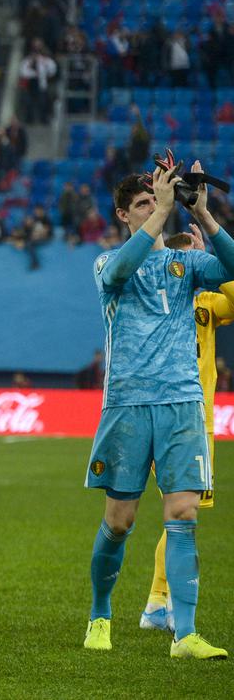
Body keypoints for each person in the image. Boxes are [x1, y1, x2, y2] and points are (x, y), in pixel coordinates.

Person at [84, 165, 234, 659]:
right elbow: (124, 270)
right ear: (124, 214)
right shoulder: (108, 263)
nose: (155, 206)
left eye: (157, 199)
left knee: (184, 514)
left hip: (183, 403)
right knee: (121, 521)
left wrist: (204, 216)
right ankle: (100, 616)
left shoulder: (187, 264)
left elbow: (231, 268)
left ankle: (184, 635)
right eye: (144, 203)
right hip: (127, 406)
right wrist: (164, 210)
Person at [140, 228, 234, 633]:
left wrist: (211, 250)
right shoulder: (158, 300)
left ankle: (159, 604)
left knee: (180, 514)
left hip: (200, 418)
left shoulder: (207, 303)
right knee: (182, 513)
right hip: (173, 414)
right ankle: (160, 605)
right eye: (188, 260)